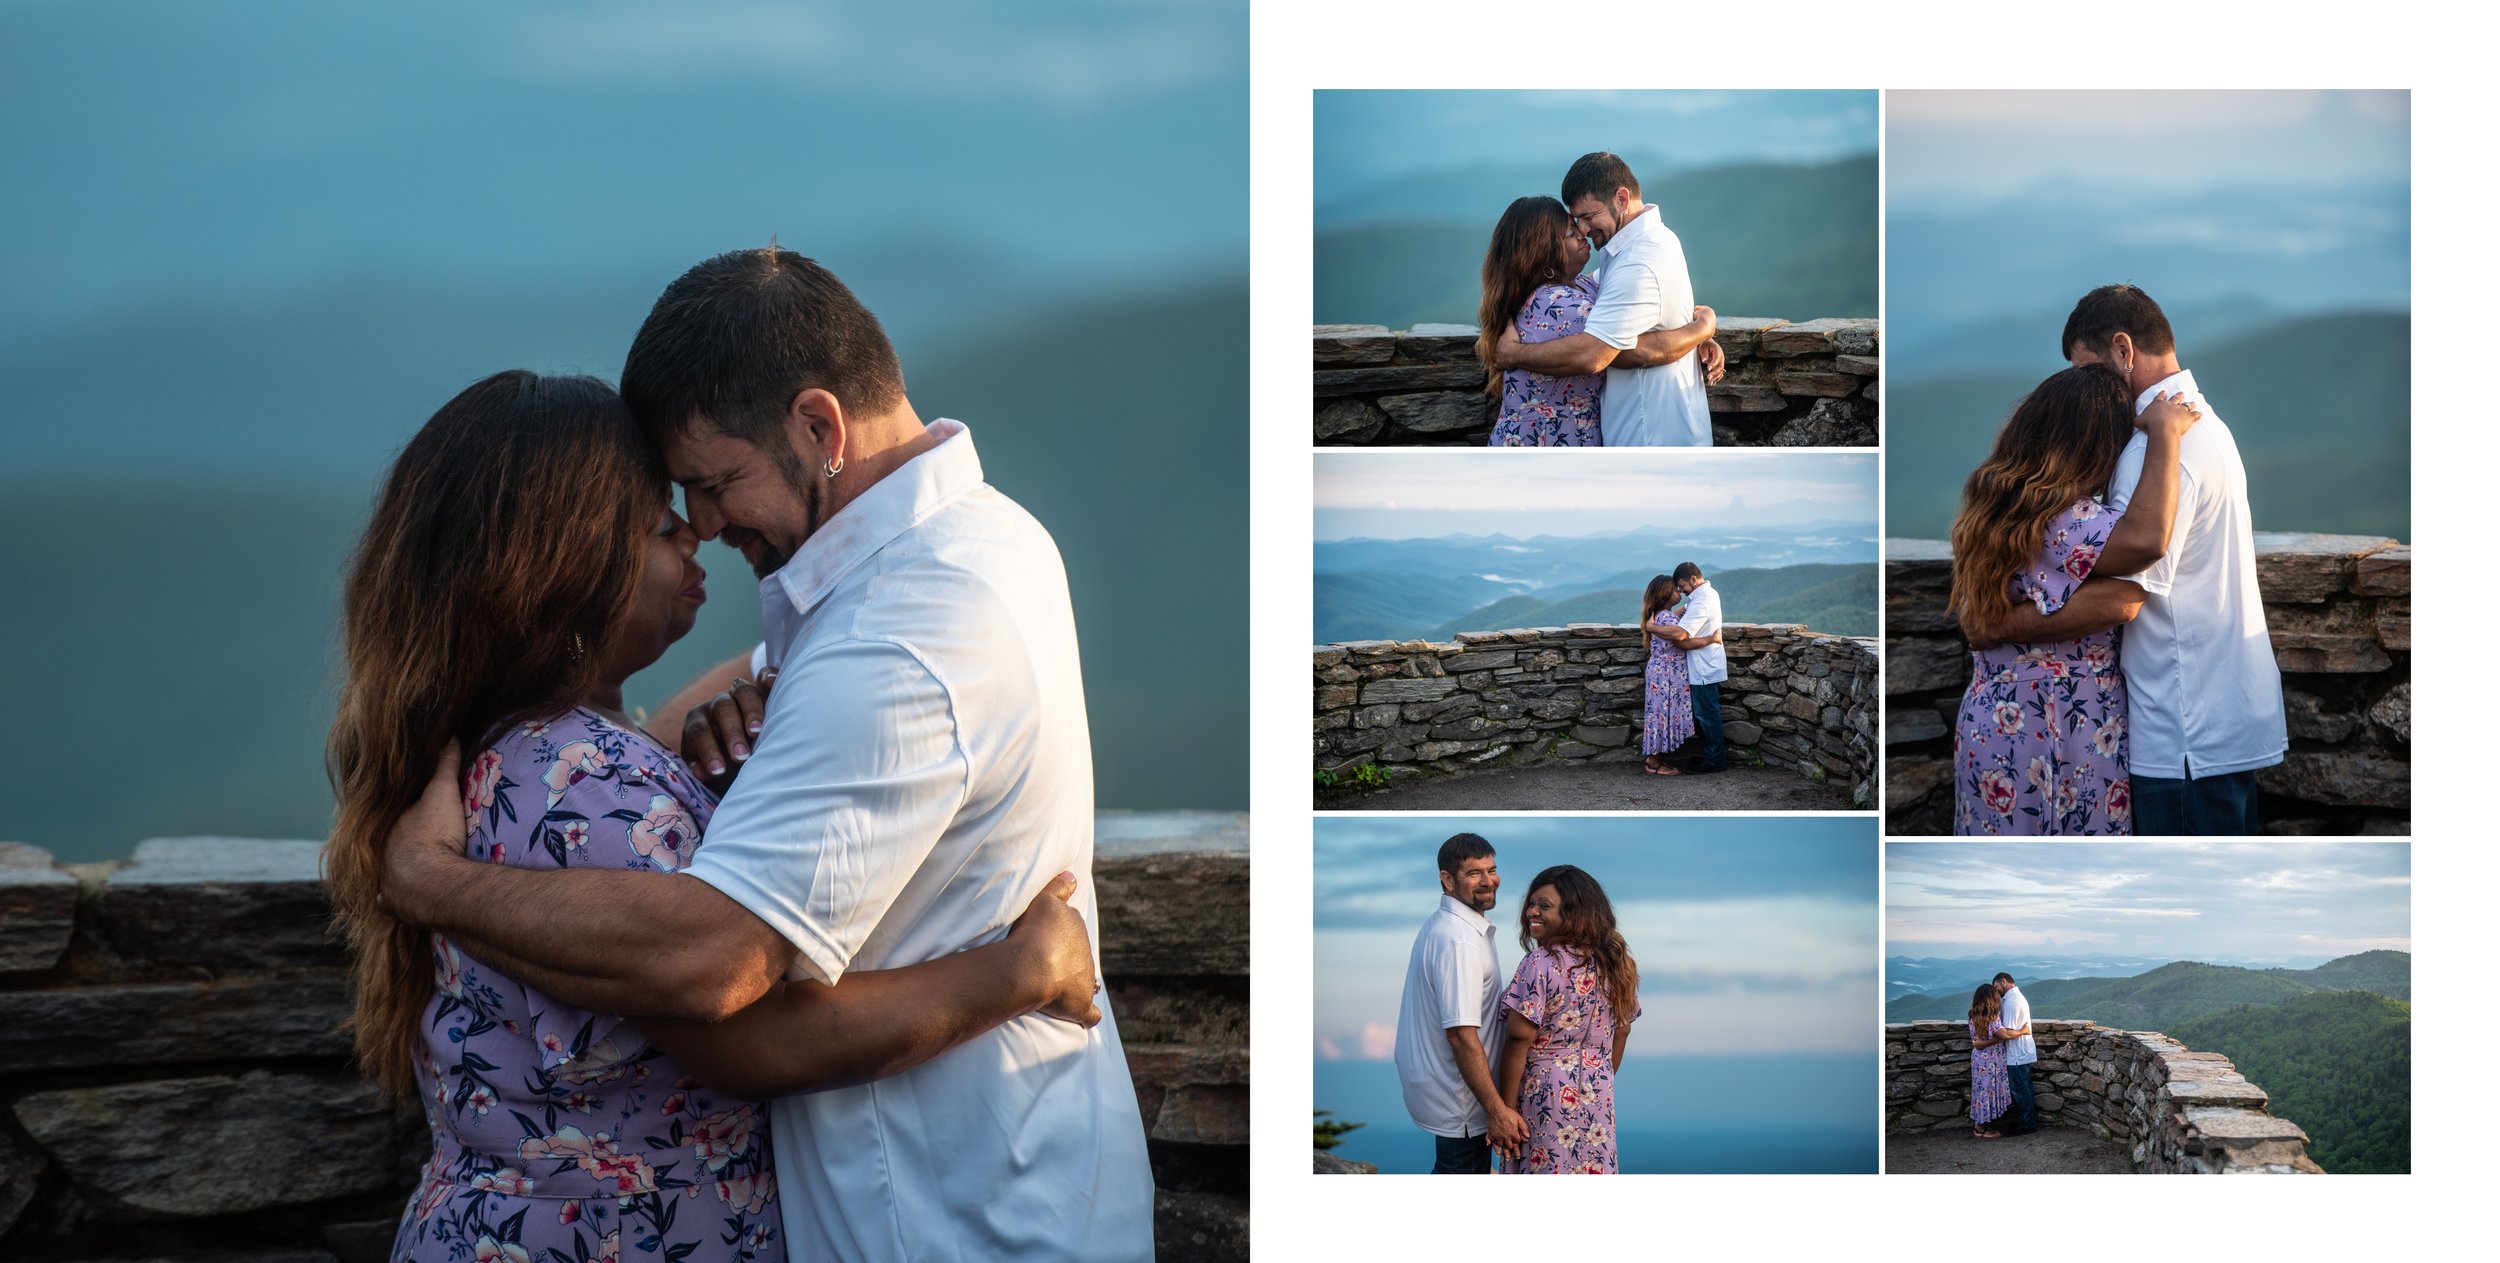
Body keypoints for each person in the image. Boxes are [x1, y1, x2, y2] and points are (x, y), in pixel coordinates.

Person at [373, 248, 1156, 1261]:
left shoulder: (895, 633)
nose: (701, 526)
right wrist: (693, 723)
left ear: (820, 428)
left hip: (942, 1216)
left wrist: (429, 880)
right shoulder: (977, 542)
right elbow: (792, 666)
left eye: (711, 485)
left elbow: (715, 963)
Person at [1980, 285, 2288, 835]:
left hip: (2182, 735)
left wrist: (1993, 620)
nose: (2084, 389)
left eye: (2089, 371)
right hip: (2219, 716)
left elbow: (2129, 584)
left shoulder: (2153, 452)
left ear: (2124, 350)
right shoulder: (2209, 428)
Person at [1949, 366, 2202, 834]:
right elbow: (2142, 552)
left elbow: (1982, 617)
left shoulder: (1997, 498)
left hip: (1995, 716)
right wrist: (2165, 433)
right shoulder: (2067, 519)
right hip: (2063, 721)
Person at [1490, 152, 1725, 446]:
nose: (1585, 231)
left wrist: (1512, 354)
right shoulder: (1640, 245)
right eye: (1576, 222)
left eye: (1588, 217)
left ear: (1622, 199)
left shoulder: (1637, 261)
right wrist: (1699, 329)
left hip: (1649, 437)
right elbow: (1627, 324)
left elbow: (1599, 353)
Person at [1393, 833, 1525, 1173]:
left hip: (1454, 1092)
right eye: (1474, 873)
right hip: (1463, 1099)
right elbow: (1461, 1036)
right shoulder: (1460, 941)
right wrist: (1497, 1111)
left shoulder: (1447, 927)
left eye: (1491, 870)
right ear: (1447, 880)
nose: (1488, 881)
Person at [1496, 865, 1639, 1174]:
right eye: (1531, 904)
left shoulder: (1541, 962)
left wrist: (1505, 1109)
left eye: (1543, 905)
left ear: (1574, 913)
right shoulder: (1616, 964)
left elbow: (1519, 1039)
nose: (1532, 911)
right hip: (1598, 1094)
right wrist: (1595, 1073)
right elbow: (1622, 1032)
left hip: (1543, 1094)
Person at [1634, 573, 1717, 774]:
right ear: (1665, 594)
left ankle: (1655, 760)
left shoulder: (1661, 617)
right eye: (1674, 589)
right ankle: (1654, 763)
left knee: (1661, 716)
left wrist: (1679, 613)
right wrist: (1711, 639)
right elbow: (1683, 641)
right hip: (1667, 676)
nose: (1679, 591)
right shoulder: (1666, 619)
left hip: (1662, 673)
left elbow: (1671, 626)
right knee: (1664, 716)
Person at [1669, 563, 1728, 773]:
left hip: (1704, 667)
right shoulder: (1705, 596)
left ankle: (1714, 761)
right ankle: (1711, 756)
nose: (1680, 591)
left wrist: (1652, 627)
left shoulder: (1702, 601)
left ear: (1693, 579)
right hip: (1703, 665)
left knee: (1707, 716)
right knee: (1705, 714)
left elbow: (1681, 634)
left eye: (1682, 585)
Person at [1992, 972, 2039, 1135]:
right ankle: (2027, 1120)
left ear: (2003, 982)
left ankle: (2027, 1123)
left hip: (2017, 1054)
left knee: (2020, 1089)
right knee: (2024, 1087)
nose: (1995, 991)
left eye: (1996, 987)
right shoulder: (2014, 998)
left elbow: (2008, 1032)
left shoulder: (2012, 1002)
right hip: (2021, 1052)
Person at [1966, 982, 2013, 1139]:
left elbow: (1980, 1042)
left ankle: (1982, 1124)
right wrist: (2024, 1031)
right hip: (1991, 1059)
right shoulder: (1993, 1019)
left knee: (1981, 1091)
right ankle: (1981, 1128)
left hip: (1979, 1059)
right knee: (1988, 1091)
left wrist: (1981, 1044)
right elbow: (2003, 1035)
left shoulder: (1973, 1015)